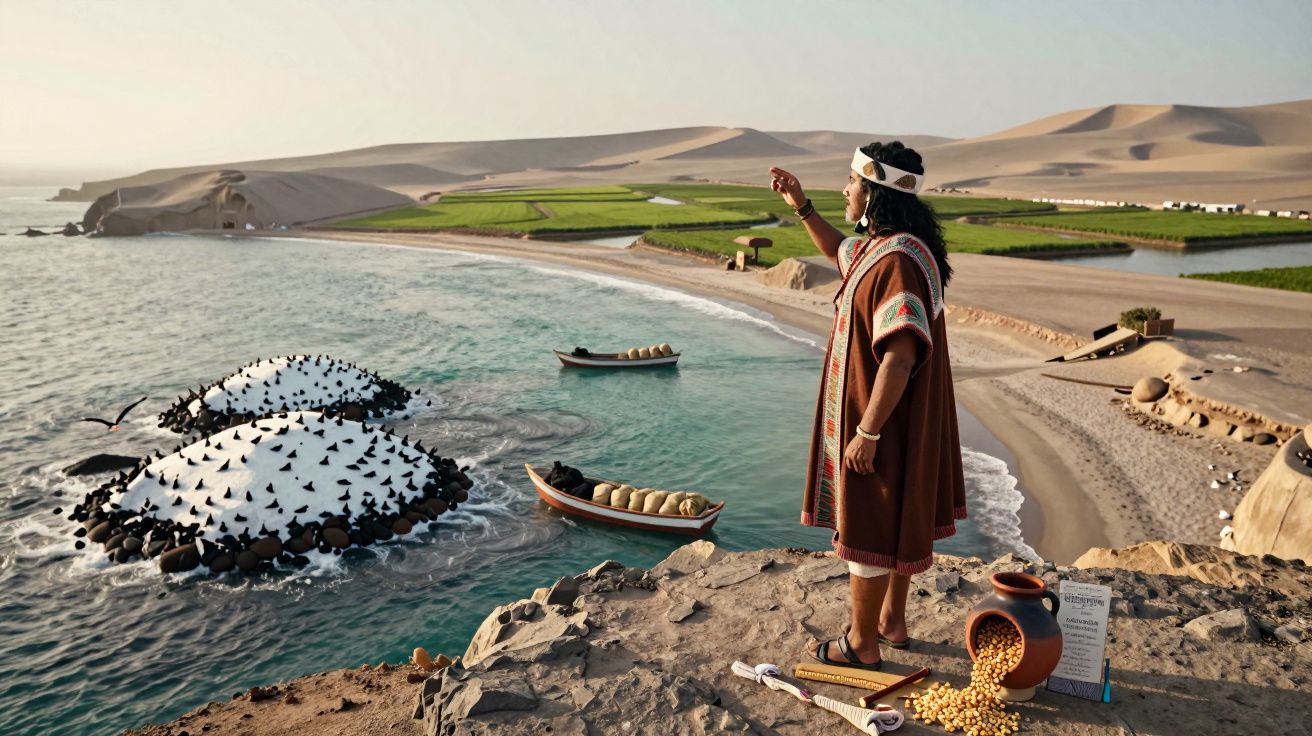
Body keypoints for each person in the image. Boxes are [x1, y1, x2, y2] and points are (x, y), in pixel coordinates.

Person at [770, 141, 966, 670]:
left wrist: (868, 432)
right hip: (898, 418)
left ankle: (861, 644)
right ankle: (892, 621)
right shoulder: (889, 248)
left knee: (870, 521)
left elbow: (899, 359)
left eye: (852, 183)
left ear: (874, 193)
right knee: (897, 514)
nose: (845, 190)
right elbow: (841, 252)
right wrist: (802, 206)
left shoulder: (898, 260)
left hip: (885, 419)